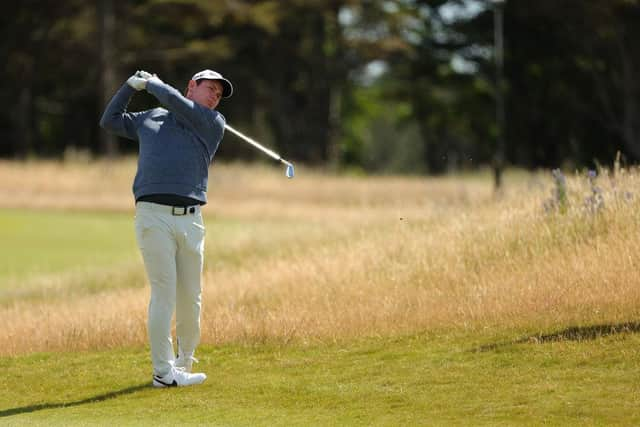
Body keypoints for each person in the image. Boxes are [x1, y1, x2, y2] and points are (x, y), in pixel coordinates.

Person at [100, 69, 233, 387]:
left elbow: (175, 101)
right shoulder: (150, 118)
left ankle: (183, 362)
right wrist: (129, 87)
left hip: (191, 219)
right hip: (152, 216)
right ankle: (163, 372)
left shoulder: (212, 123)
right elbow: (110, 120)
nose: (215, 96)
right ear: (192, 85)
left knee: (192, 297)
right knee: (164, 294)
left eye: (219, 94)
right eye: (211, 89)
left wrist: (155, 85)